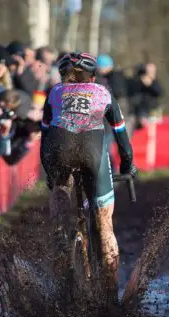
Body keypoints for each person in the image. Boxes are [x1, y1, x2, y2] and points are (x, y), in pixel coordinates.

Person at [40, 52, 136, 301]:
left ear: (63, 76)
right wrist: (127, 166)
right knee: (105, 226)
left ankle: (63, 263)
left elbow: (44, 139)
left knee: (60, 204)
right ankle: (112, 297)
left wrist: (52, 180)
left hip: (57, 150)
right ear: (93, 76)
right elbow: (122, 138)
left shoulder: (54, 93)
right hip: (92, 152)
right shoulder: (103, 92)